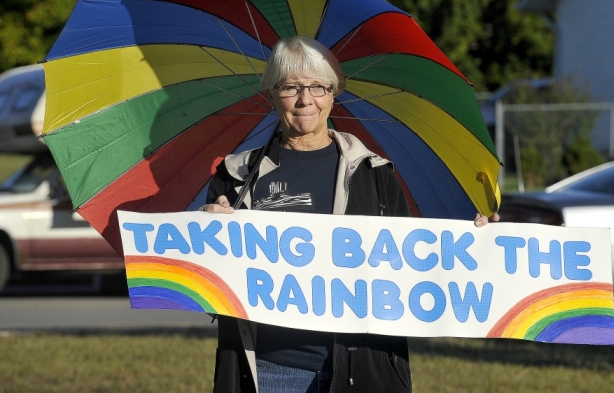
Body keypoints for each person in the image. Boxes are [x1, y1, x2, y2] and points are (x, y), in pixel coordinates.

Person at [201, 36, 498, 393]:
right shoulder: (235, 179)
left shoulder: (375, 174)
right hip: (272, 370)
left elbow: (414, 266)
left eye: (318, 87)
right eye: (290, 86)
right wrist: (205, 237)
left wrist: (476, 243)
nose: (305, 98)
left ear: (334, 92)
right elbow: (211, 295)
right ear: (270, 92)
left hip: (363, 369)